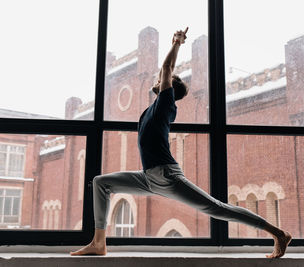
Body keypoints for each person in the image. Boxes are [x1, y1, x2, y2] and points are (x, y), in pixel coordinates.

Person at [70, 28, 291, 258]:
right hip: (148, 177)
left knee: (217, 208)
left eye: (164, 81)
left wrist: (176, 43)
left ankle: (278, 233)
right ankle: (98, 242)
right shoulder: (152, 109)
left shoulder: (166, 103)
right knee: (101, 183)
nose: (159, 79)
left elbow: (166, 68)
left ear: (170, 88)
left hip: (167, 176)